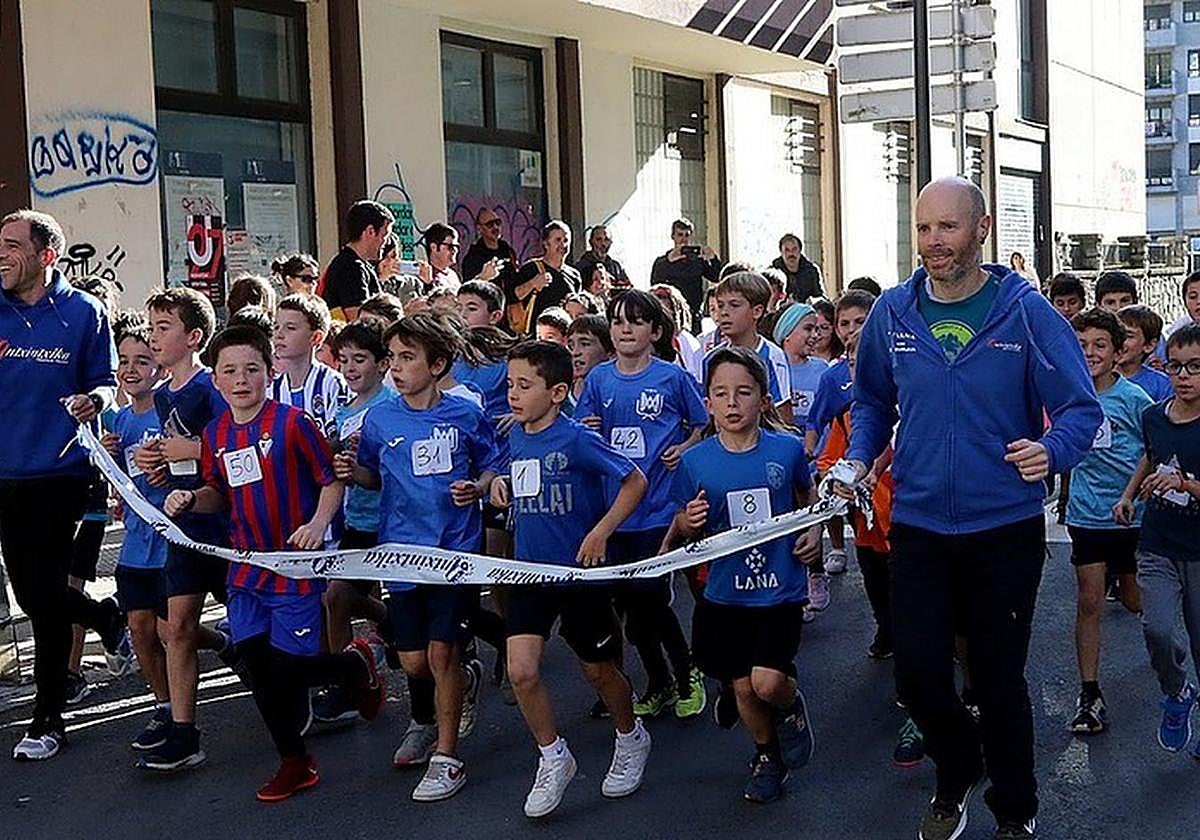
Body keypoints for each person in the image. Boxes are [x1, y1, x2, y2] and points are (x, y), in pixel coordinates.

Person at [837, 177, 1102, 840]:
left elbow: (1080, 408)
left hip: (1003, 527)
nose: (933, 242)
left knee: (996, 676)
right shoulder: (894, 314)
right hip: (920, 525)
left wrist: (1053, 450)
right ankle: (958, 766)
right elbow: (870, 403)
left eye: (948, 228)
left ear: (981, 230)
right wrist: (860, 458)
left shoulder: (1025, 312)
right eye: (924, 228)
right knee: (919, 675)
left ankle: (1014, 806)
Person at [163, 325, 384, 802]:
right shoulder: (215, 432)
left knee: (287, 668)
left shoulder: (293, 422)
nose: (241, 380)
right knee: (258, 669)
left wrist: (318, 526)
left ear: (270, 371)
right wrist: (188, 499)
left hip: (295, 566)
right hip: (245, 568)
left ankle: (349, 668)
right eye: (230, 372)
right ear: (217, 380)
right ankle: (295, 762)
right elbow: (218, 493)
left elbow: (330, 479)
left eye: (251, 369)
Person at [338, 313, 503, 801]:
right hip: (401, 553)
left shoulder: (465, 415)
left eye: (407, 358)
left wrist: (477, 487)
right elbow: (371, 475)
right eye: (392, 358)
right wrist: (352, 473)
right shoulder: (380, 418)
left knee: (441, 652)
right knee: (412, 661)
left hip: (455, 551)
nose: (396, 368)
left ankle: (447, 758)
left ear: (438, 363)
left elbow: (492, 465)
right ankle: (458, 687)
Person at [488, 341, 651, 818]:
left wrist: (601, 532)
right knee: (521, 669)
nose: (513, 395)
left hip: (578, 574)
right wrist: (496, 484)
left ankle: (630, 735)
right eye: (510, 385)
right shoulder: (512, 434)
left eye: (524, 385)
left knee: (598, 670)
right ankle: (553, 755)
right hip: (527, 572)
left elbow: (634, 480)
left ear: (557, 392)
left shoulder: (577, 438)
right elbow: (501, 475)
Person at [671, 346, 820, 803]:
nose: (732, 403)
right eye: (721, 394)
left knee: (767, 682)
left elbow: (809, 499)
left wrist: (815, 534)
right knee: (742, 686)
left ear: (764, 398)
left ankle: (791, 708)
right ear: (708, 402)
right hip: (725, 593)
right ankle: (766, 755)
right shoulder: (696, 462)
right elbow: (680, 524)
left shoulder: (787, 448)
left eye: (743, 392)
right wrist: (687, 522)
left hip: (779, 589)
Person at [1, 210, 118, 761]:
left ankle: (47, 717)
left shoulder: (83, 312)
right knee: (30, 593)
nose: (1, 255)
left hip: (62, 471)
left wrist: (93, 400)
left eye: (12, 246)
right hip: (5, 474)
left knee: (43, 598)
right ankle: (102, 615)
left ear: (46, 255)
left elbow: (108, 382)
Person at [576, 291, 708, 720]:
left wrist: (684, 446)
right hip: (615, 511)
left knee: (649, 598)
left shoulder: (672, 377)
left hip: (660, 508)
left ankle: (687, 673)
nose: (625, 329)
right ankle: (658, 681)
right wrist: (589, 428)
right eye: (616, 322)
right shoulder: (598, 380)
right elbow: (581, 431)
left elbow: (702, 423)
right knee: (631, 608)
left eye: (635, 322)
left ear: (655, 331)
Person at [134, 286, 236, 772]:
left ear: (193, 337)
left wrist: (190, 453)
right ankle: (184, 731)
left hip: (225, 523)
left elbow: (232, 444)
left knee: (255, 628)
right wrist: (159, 466)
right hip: (183, 525)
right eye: (151, 327)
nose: (153, 338)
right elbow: (177, 454)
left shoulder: (209, 387)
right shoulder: (161, 392)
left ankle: (311, 682)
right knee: (177, 629)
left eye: (162, 328)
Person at [1063, 308, 1151, 736]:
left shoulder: (1135, 399)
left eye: (1100, 345)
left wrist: (1131, 494)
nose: (1090, 353)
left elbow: (1154, 448)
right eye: (1081, 346)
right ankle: (1089, 693)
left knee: (1136, 600)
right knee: (1089, 601)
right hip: (1086, 514)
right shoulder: (1066, 396)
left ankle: (1169, 645)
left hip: (1132, 517)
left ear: (1118, 353)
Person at [1114, 324, 1200, 760]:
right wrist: (1129, 495)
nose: (1184, 376)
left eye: (1195, 367)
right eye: (1175, 367)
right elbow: (1150, 454)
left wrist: (1184, 482)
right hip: (1158, 544)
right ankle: (1178, 692)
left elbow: (1171, 472)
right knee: (1157, 629)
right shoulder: (1153, 415)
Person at [311, 320, 394, 724]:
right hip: (356, 519)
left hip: (394, 522)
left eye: (359, 359)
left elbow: (379, 474)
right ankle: (348, 681)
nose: (349, 368)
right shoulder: (343, 410)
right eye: (343, 360)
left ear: (383, 363)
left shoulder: (392, 406)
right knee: (335, 597)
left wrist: (356, 469)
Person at [99, 314, 173, 751]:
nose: (131, 370)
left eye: (141, 361)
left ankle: (220, 643)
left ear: (158, 368)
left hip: (171, 539)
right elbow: (122, 488)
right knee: (140, 628)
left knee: (171, 630)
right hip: (135, 545)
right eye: (124, 361)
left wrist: (166, 472)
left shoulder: (169, 413)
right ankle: (162, 705)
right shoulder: (119, 422)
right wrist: (109, 462)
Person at [804, 289, 875, 588]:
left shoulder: (897, 364)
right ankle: (837, 546)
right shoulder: (832, 377)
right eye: (844, 324)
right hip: (849, 469)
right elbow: (817, 421)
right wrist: (811, 452)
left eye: (860, 321)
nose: (851, 330)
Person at [702, 271, 793, 426]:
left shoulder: (772, 355)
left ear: (757, 311)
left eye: (734, 305)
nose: (724, 313)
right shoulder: (711, 358)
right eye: (720, 305)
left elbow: (782, 413)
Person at [270, 293, 348, 439]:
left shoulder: (332, 384)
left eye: (290, 328)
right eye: (276, 327)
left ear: (315, 337)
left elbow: (338, 438)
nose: (279, 334)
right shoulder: (271, 389)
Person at [318, 200, 393, 322]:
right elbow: (360, 321)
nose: (387, 242)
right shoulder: (351, 268)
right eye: (385, 235)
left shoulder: (353, 264)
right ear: (370, 231)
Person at [509, 221, 581, 335]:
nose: (563, 245)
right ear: (546, 244)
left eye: (566, 240)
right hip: (536, 336)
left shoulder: (574, 275)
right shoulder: (531, 268)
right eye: (558, 240)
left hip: (564, 336)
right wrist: (533, 283)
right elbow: (513, 296)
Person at [650, 218, 722, 328]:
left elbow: (717, 277)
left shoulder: (697, 261)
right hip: (672, 314)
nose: (683, 239)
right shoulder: (662, 262)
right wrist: (670, 261)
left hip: (694, 314)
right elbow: (656, 285)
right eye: (680, 235)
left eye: (686, 235)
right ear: (673, 236)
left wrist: (713, 259)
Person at [773, 302, 829, 437]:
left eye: (816, 330)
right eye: (808, 329)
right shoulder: (771, 368)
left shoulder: (823, 369)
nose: (815, 335)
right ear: (787, 333)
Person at [1116, 305, 1173, 401]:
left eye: (1129, 336)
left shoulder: (1161, 384)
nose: (1120, 341)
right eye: (1117, 334)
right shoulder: (1098, 378)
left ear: (1149, 345)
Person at [460, 207, 518, 287]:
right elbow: (468, 289)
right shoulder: (473, 258)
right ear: (480, 229)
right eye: (490, 224)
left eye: (498, 222)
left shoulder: (507, 250)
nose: (495, 227)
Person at [566, 314, 614, 401]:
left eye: (585, 344)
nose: (575, 352)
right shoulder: (559, 398)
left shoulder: (617, 396)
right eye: (571, 346)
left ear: (609, 352)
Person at [771, 233, 824, 303]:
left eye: (794, 249)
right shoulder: (773, 274)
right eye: (787, 250)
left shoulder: (811, 271)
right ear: (781, 252)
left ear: (800, 250)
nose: (791, 254)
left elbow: (818, 296)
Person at [575, 224, 630, 291]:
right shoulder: (580, 267)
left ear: (610, 243)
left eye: (606, 239)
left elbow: (627, 288)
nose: (603, 244)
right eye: (599, 239)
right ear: (591, 242)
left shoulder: (616, 267)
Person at [417, 222, 462, 295]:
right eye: (450, 246)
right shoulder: (422, 275)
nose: (454, 250)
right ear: (433, 247)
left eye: (456, 246)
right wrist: (428, 284)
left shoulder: (452, 275)